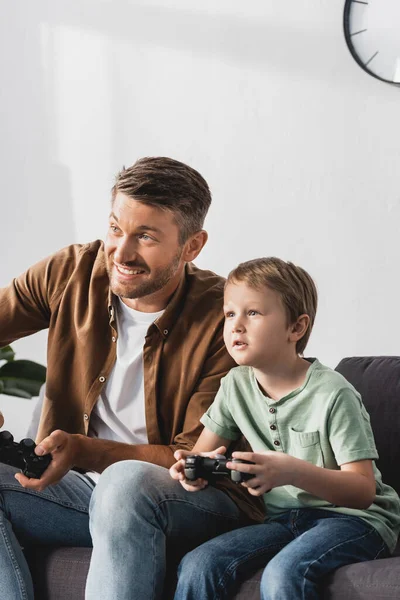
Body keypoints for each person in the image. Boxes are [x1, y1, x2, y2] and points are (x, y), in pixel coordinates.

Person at [0, 157, 264, 600]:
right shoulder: (73, 272)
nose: (121, 253)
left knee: (125, 482)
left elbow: (191, 458)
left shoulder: (226, 319)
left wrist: (87, 450)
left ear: (192, 245)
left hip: (191, 497)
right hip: (84, 492)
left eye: (145, 236)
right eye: (116, 229)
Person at [170, 257, 400, 600]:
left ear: (296, 328)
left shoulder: (333, 392)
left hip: (356, 521)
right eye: (230, 313)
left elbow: (363, 491)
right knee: (199, 563)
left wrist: (292, 471)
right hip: (285, 519)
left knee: (283, 574)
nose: (236, 326)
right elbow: (204, 452)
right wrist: (191, 468)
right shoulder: (235, 385)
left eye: (253, 313)